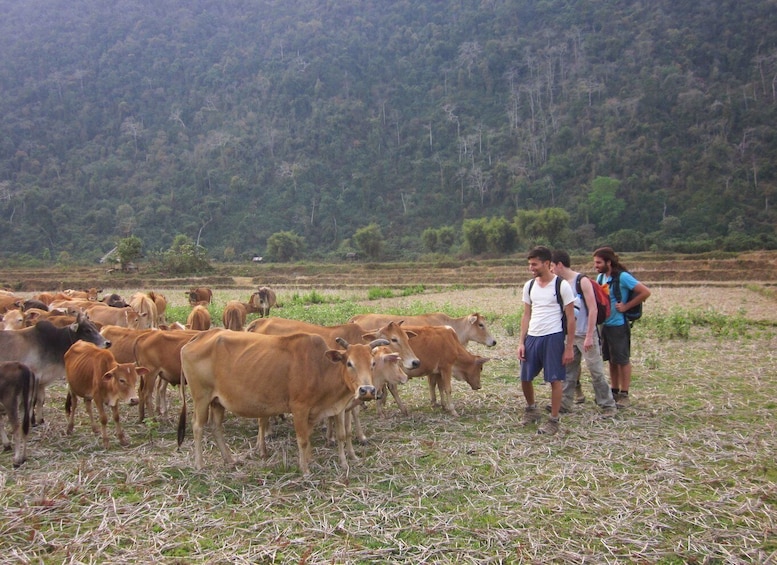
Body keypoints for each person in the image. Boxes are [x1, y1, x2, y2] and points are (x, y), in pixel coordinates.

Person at [550, 250, 618, 417]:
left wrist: (589, 335)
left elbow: (593, 309)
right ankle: (565, 403)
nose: (550, 270)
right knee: (568, 371)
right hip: (569, 335)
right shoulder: (559, 283)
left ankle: (608, 405)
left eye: (551, 266)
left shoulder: (582, 281)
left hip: (585, 333)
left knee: (596, 370)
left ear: (559, 265)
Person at [516, 246, 576, 435]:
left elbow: (571, 317)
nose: (531, 268)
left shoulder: (561, 286)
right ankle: (532, 409)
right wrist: (521, 342)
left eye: (534, 264)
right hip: (533, 336)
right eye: (530, 264)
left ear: (547, 263)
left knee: (555, 379)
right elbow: (526, 315)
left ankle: (554, 420)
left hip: (554, 337)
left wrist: (568, 347)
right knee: (525, 377)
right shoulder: (530, 286)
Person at [593, 246, 651, 408]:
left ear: (608, 262)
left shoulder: (623, 277)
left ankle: (624, 394)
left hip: (619, 324)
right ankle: (614, 390)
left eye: (598, 262)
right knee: (611, 359)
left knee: (623, 359)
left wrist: (626, 306)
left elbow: (645, 292)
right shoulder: (601, 278)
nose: (596, 266)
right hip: (605, 325)